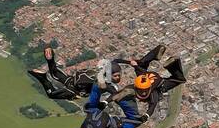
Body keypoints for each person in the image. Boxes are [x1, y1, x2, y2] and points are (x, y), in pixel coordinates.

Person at [28, 43, 163, 102]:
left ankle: (50, 58)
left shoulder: (103, 71)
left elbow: (116, 60)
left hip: (74, 80)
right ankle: (41, 77)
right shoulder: (106, 83)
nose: (118, 78)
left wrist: (130, 62)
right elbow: (115, 94)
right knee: (51, 94)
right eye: (116, 76)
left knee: (55, 73)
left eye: (118, 75)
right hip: (74, 90)